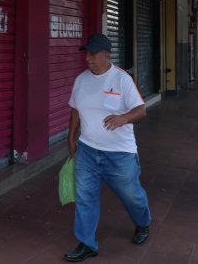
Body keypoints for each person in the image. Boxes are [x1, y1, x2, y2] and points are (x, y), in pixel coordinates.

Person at [64, 33, 150, 262]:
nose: (88, 59)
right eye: (86, 54)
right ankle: (87, 243)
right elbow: (75, 110)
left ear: (106, 55)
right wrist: (71, 138)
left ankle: (143, 222)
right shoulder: (81, 80)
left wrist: (123, 118)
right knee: (85, 197)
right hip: (87, 150)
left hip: (120, 154)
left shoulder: (122, 79)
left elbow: (141, 110)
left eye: (92, 54)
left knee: (131, 196)